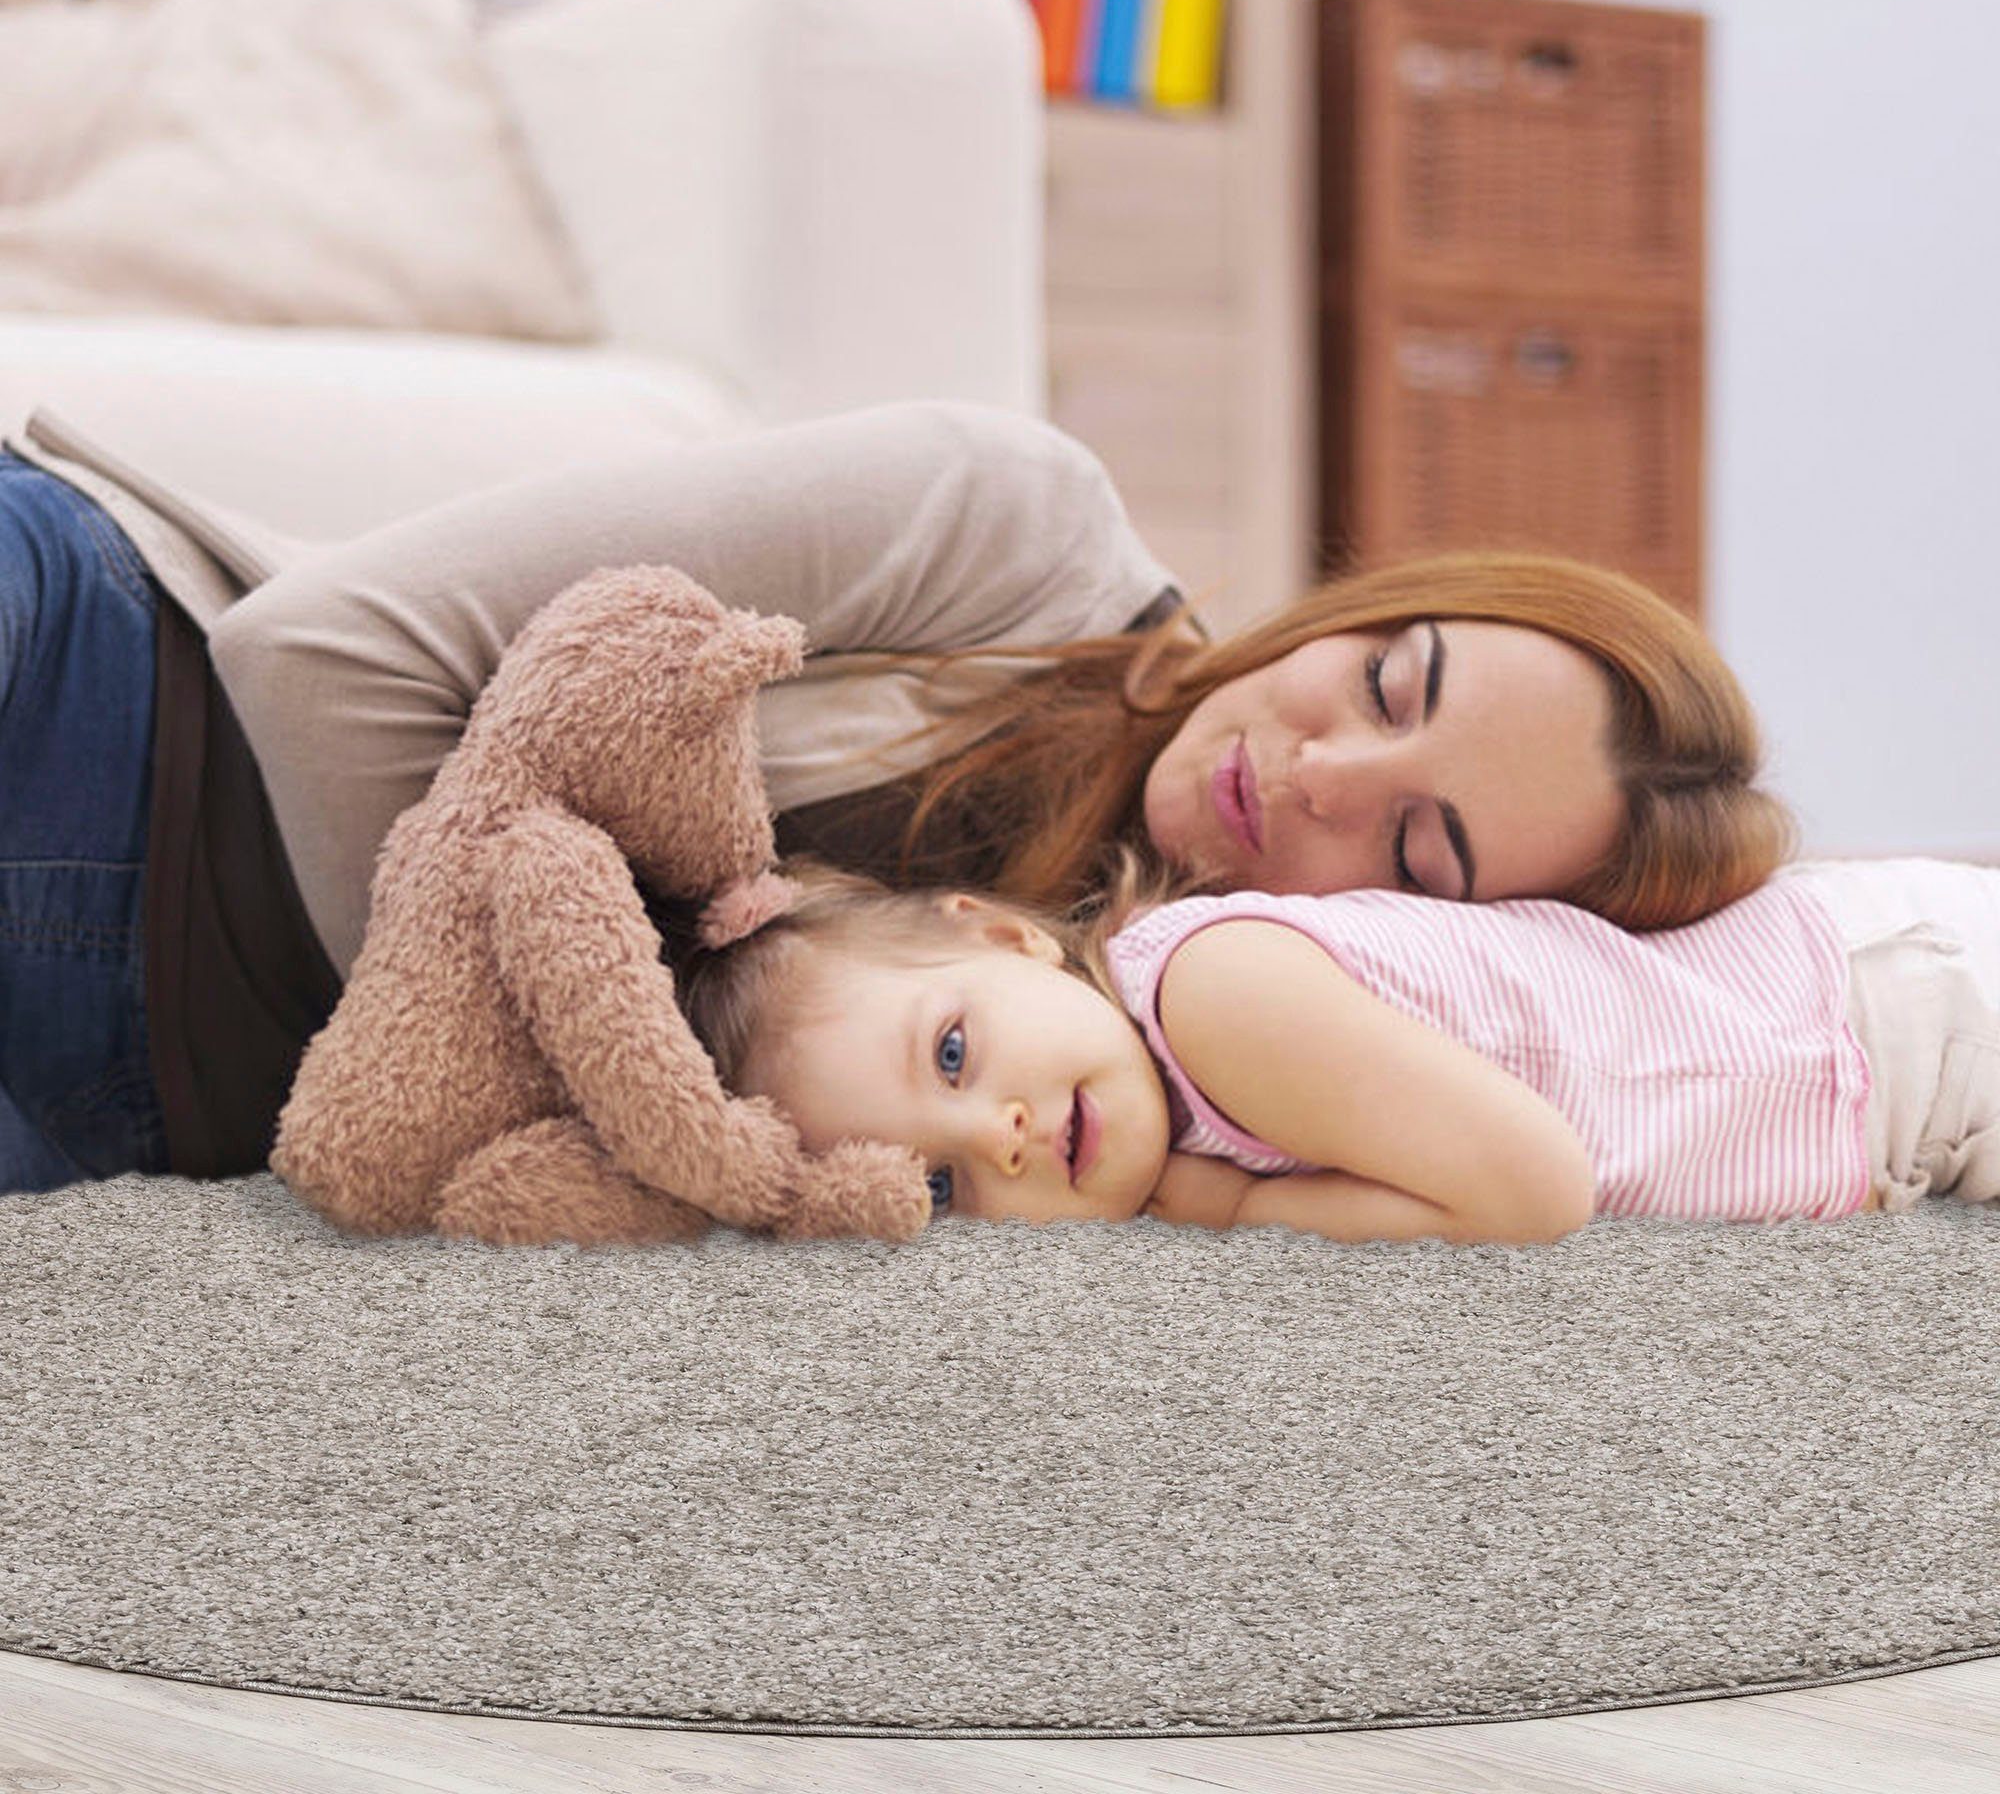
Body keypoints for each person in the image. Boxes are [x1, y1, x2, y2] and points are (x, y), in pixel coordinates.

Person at [3, 398, 1790, 1196]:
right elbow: (323, 665)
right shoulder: (1010, 523)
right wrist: (589, 1028)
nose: (1310, 767)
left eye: (1411, 847)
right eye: (1390, 680)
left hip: (137, 1106)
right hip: (113, 711)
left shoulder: (1130, 1071)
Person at [670, 853, 2000, 1244]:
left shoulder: (1214, 997)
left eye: (953, 1056)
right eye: (947, 1187)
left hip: (1897, 1020)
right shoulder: (1167, 1075)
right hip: (1882, 1100)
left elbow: (1536, 1190)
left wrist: (1242, 1206)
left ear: (1010, 939)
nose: (995, 1134)